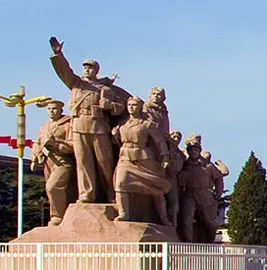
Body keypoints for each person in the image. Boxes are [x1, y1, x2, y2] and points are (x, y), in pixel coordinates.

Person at [49, 37, 127, 204]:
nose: (87, 70)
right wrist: (58, 54)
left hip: (98, 126)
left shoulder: (105, 89)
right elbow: (64, 71)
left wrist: (109, 106)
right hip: (78, 126)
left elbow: (120, 108)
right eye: (85, 67)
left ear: (96, 71)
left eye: (90, 68)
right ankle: (86, 194)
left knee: (105, 162)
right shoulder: (76, 83)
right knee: (83, 162)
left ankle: (112, 194)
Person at [112, 97, 172, 225]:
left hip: (143, 157)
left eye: (134, 105)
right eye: (129, 105)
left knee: (156, 187)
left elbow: (159, 141)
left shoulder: (147, 124)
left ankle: (163, 217)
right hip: (125, 157)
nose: (131, 107)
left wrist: (165, 156)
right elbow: (117, 142)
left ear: (140, 107)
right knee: (120, 184)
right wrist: (115, 134)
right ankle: (124, 213)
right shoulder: (123, 124)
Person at [32, 99, 77, 225]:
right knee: (52, 190)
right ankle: (61, 216)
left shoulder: (68, 124)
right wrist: (35, 156)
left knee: (53, 187)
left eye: (54, 108)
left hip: (63, 162)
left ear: (61, 110)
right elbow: (37, 143)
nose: (51, 111)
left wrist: (56, 145)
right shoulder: (43, 127)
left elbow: (74, 145)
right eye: (49, 109)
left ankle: (57, 217)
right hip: (48, 163)